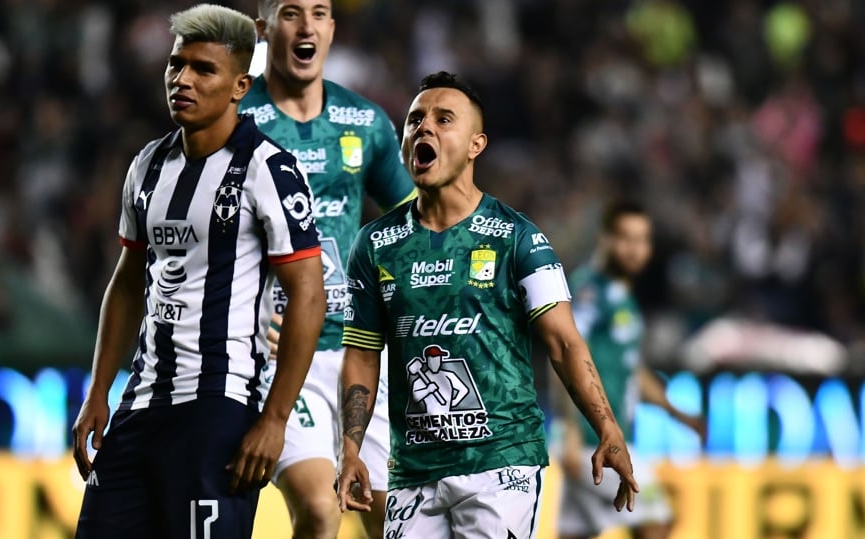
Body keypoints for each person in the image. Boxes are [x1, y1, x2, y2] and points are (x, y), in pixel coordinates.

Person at [335, 71, 639, 538]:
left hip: (501, 465)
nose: (424, 127)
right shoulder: (374, 244)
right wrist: (351, 447)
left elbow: (564, 342)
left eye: (444, 119)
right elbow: (361, 352)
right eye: (415, 120)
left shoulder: (519, 238)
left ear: (476, 144)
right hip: (413, 470)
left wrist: (607, 427)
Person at [70, 5, 326, 538]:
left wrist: (274, 419)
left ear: (239, 87)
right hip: (140, 402)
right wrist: (98, 392)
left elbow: (308, 293)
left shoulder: (269, 169)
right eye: (176, 64)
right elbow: (127, 282)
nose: (182, 80)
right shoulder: (146, 165)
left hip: (219, 407)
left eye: (203, 69)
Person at [239, 1, 415, 537]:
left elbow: (417, 226)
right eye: (292, 12)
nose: (307, 26)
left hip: (361, 352)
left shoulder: (365, 122)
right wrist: (242, 319)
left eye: (319, 13)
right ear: (264, 28)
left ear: (332, 29)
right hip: (280, 355)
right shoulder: (235, 120)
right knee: (320, 509)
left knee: (397, 521)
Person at [554, 201, 707, 539]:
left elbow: (633, 370)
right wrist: (570, 429)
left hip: (601, 437)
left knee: (575, 533)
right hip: (593, 438)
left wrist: (679, 415)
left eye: (643, 240)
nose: (636, 249)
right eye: (626, 238)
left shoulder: (624, 297)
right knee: (656, 521)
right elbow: (564, 353)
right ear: (606, 239)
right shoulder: (590, 289)